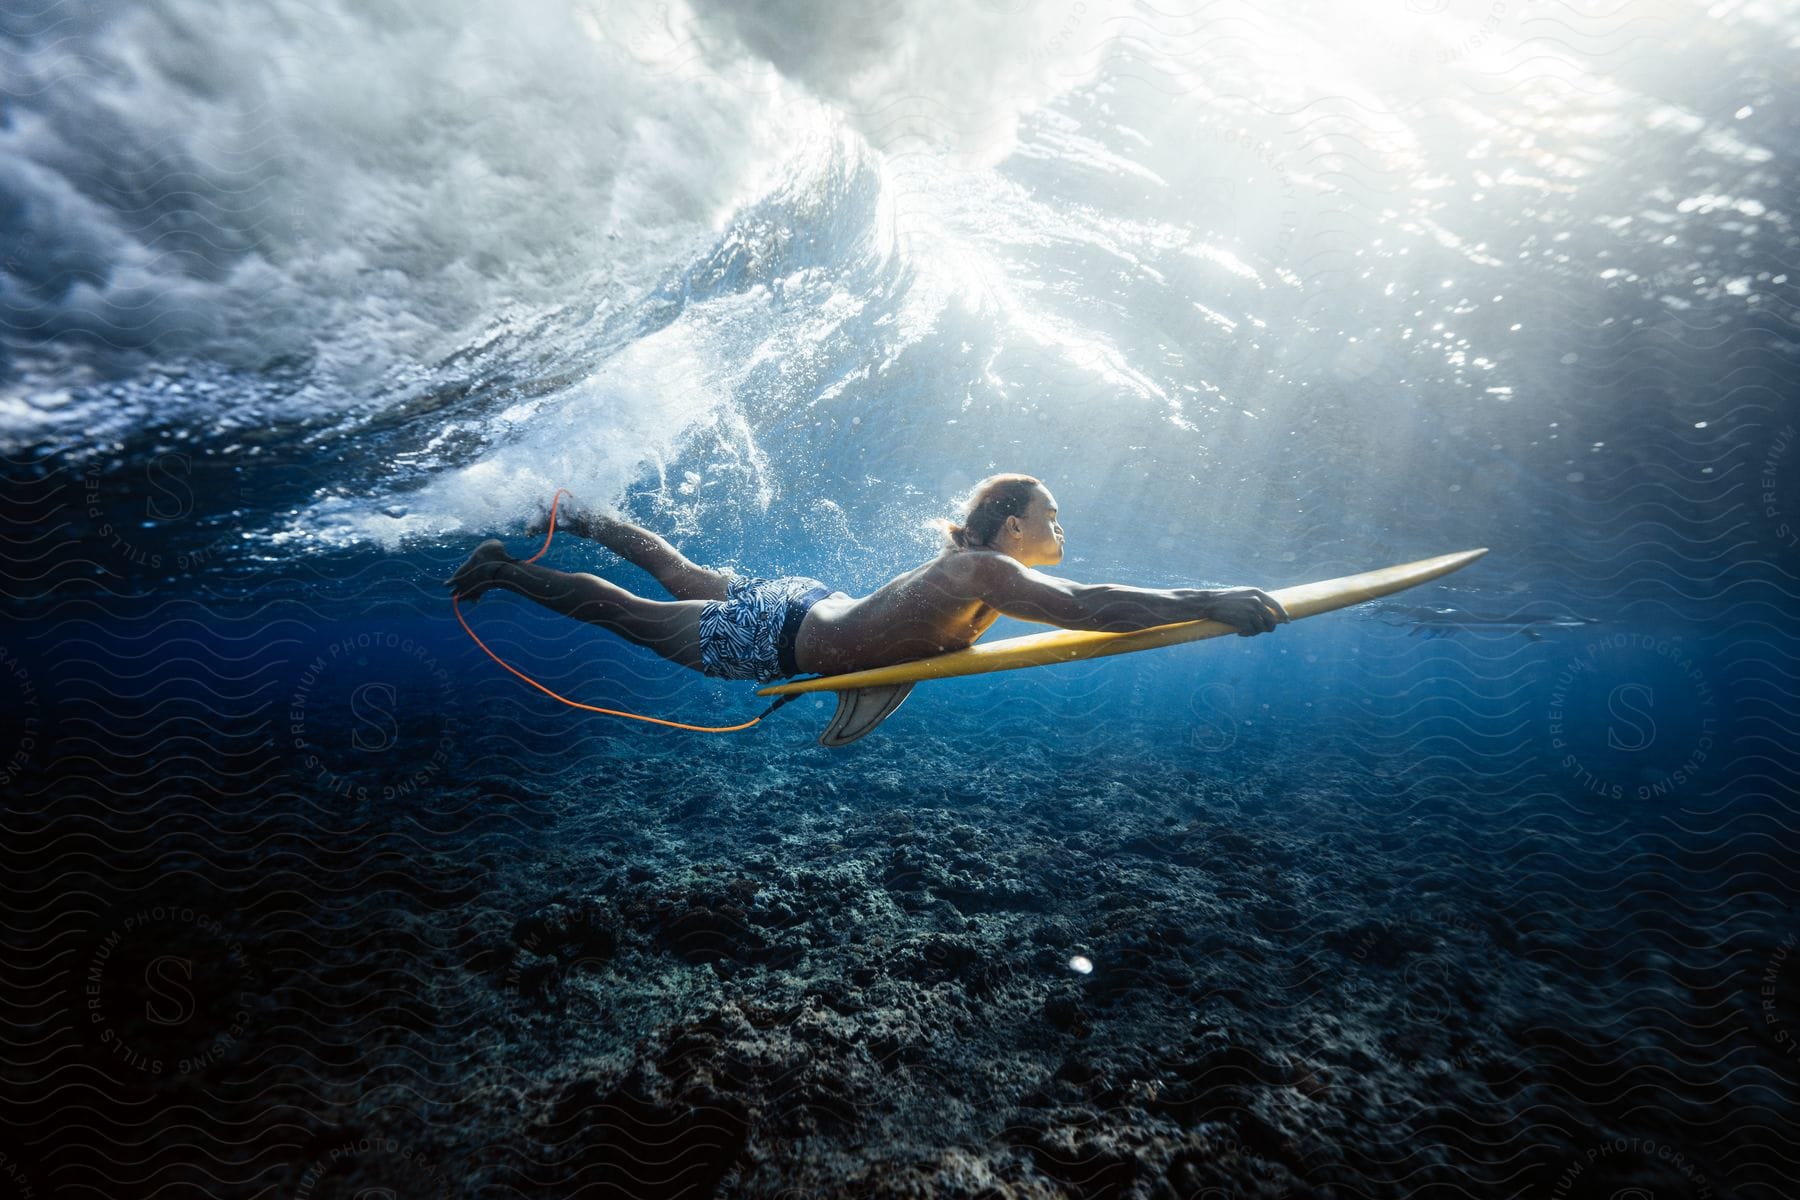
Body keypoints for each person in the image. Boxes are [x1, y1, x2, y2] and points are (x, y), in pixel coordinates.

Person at [445, 474, 1290, 685]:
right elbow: (1091, 606)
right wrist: (1211, 600)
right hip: (783, 633)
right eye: (1052, 516)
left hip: (805, 607)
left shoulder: (978, 566)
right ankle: (505, 571)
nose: (1061, 530)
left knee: (675, 572)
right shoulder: (988, 567)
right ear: (1012, 526)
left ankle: (581, 514)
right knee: (623, 612)